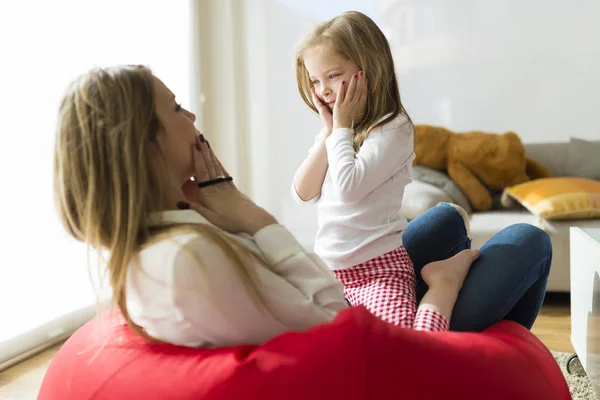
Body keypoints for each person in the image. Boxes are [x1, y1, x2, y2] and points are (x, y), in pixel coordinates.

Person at [53, 64, 550, 349]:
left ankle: (475, 327)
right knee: (530, 240)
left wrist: (228, 206)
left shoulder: (178, 227)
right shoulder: (186, 259)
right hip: (376, 356)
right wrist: (254, 216)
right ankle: (493, 360)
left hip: (344, 304)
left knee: (443, 219)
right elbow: (333, 323)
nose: (192, 113)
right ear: (145, 144)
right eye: (176, 107)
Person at [292, 11, 552, 331]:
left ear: (368, 68)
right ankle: (442, 285)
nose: (324, 91)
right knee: (447, 217)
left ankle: (443, 285)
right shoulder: (337, 134)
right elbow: (303, 192)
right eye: (316, 81)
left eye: (333, 76)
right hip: (333, 276)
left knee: (412, 347)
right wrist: (332, 131)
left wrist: (340, 129)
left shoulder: (392, 128)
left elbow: (348, 189)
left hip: (378, 272)